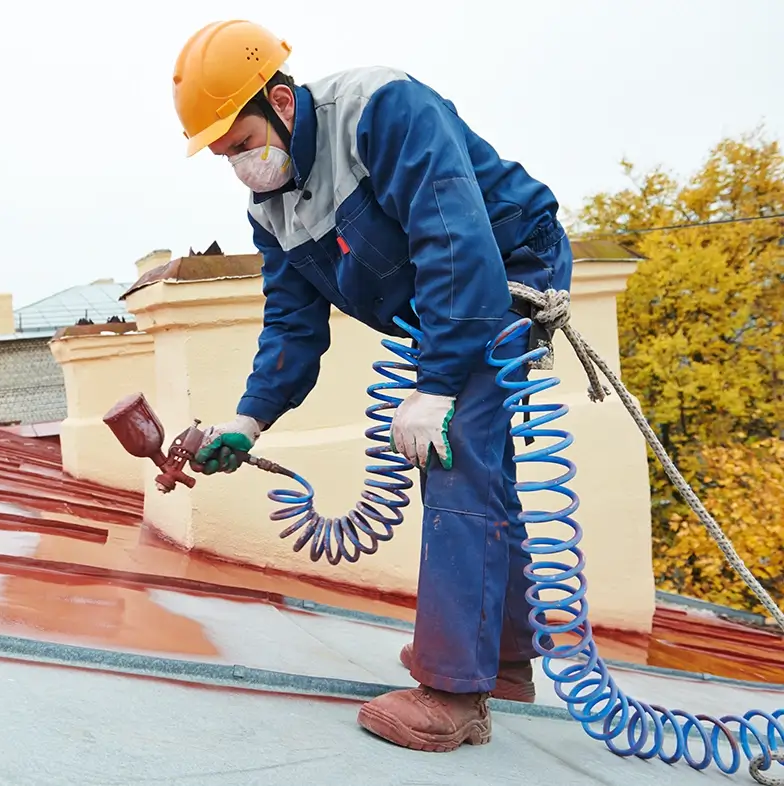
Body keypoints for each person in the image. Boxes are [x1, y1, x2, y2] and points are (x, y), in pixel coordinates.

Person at [173, 20, 572, 753]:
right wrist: (249, 422)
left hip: (506, 267)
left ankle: (455, 694)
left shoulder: (383, 110)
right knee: (476, 456)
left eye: (241, 144)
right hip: (442, 294)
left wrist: (438, 384)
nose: (239, 167)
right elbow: (292, 329)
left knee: (451, 452)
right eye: (224, 156)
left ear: (284, 104)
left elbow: (456, 240)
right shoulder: (273, 209)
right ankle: (507, 660)